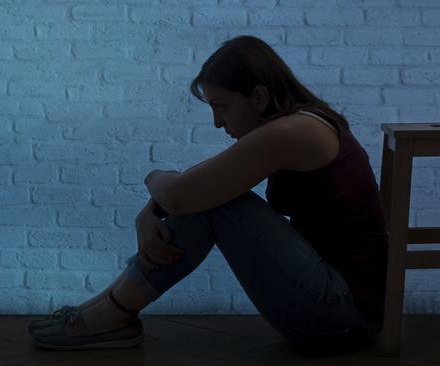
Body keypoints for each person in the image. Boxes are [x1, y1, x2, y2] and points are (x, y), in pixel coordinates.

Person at [28, 35, 388, 356]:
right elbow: (201, 183)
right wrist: (149, 210)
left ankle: (113, 313)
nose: (218, 122)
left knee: (221, 204)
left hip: (343, 316)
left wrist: (152, 177)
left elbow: (186, 193)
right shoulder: (301, 123)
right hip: (334, 305)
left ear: (259, 97)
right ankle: (107, 308)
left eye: (222, 106)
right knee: (212, 198)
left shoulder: (294, 131)